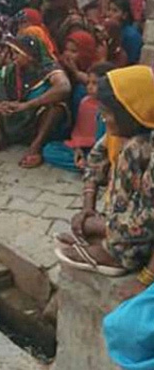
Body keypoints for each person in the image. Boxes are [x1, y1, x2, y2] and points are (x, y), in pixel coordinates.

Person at [55, 65, 154, 280]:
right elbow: (94, 163)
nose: (103, 118)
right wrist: (88, 210)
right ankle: (108, 240)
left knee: (133, 150)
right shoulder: (119, 135)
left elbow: (149, 219)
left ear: (132, 111)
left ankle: (116, 254)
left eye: (108, 113)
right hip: (125, 225)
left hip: (142, 240)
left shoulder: (141, 147)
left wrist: (100, 226)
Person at [0, 35, 72, 168]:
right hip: (14, 115)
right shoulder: (12, 69)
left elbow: (64, 87)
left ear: (30, 55)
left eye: (17, 53)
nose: (13, 57)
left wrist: (27, 105)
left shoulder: (49, 67)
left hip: (35, 119)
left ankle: (36, 146)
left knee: (58, 107)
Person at [42, 62, 114, 172]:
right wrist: (78, 148)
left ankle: (93, 166)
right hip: (83, 148)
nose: (89, 87)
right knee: (49, 149)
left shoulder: (112, 108)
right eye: (88, 83)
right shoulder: (85, 102)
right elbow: (79, 132)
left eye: (95, 83)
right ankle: (87, 166)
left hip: (101, 150)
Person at [107, 0, 143, 64]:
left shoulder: (131, 36)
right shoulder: (110, 31)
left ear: (124, 15)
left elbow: (132, 62)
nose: (109, 14)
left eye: (115, 11)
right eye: (109, 9)